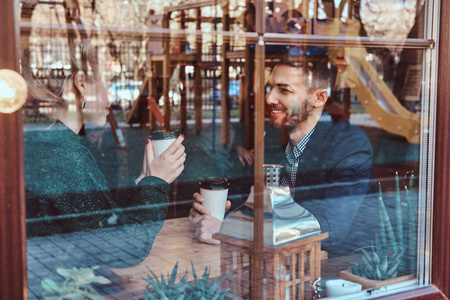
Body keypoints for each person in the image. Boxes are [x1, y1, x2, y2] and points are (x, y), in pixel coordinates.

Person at [23, 28, 186, 268]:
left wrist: (144, 181)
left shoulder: (46, 142)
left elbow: (101, 219)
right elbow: (122, 250)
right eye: (107, 83)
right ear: (81, 83)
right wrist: (158, 183)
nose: (112, 95)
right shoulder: (63, 156)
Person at [189, 52, 377, 256]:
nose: (269, 98)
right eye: (270, 88)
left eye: (284, 90)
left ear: (319, 97)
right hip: (275, 260)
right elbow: (247, 193)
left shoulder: (350, 145)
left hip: (338, 267)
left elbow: (328, 226)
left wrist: (232, 230)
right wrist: (216, 213)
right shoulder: (273, 136)